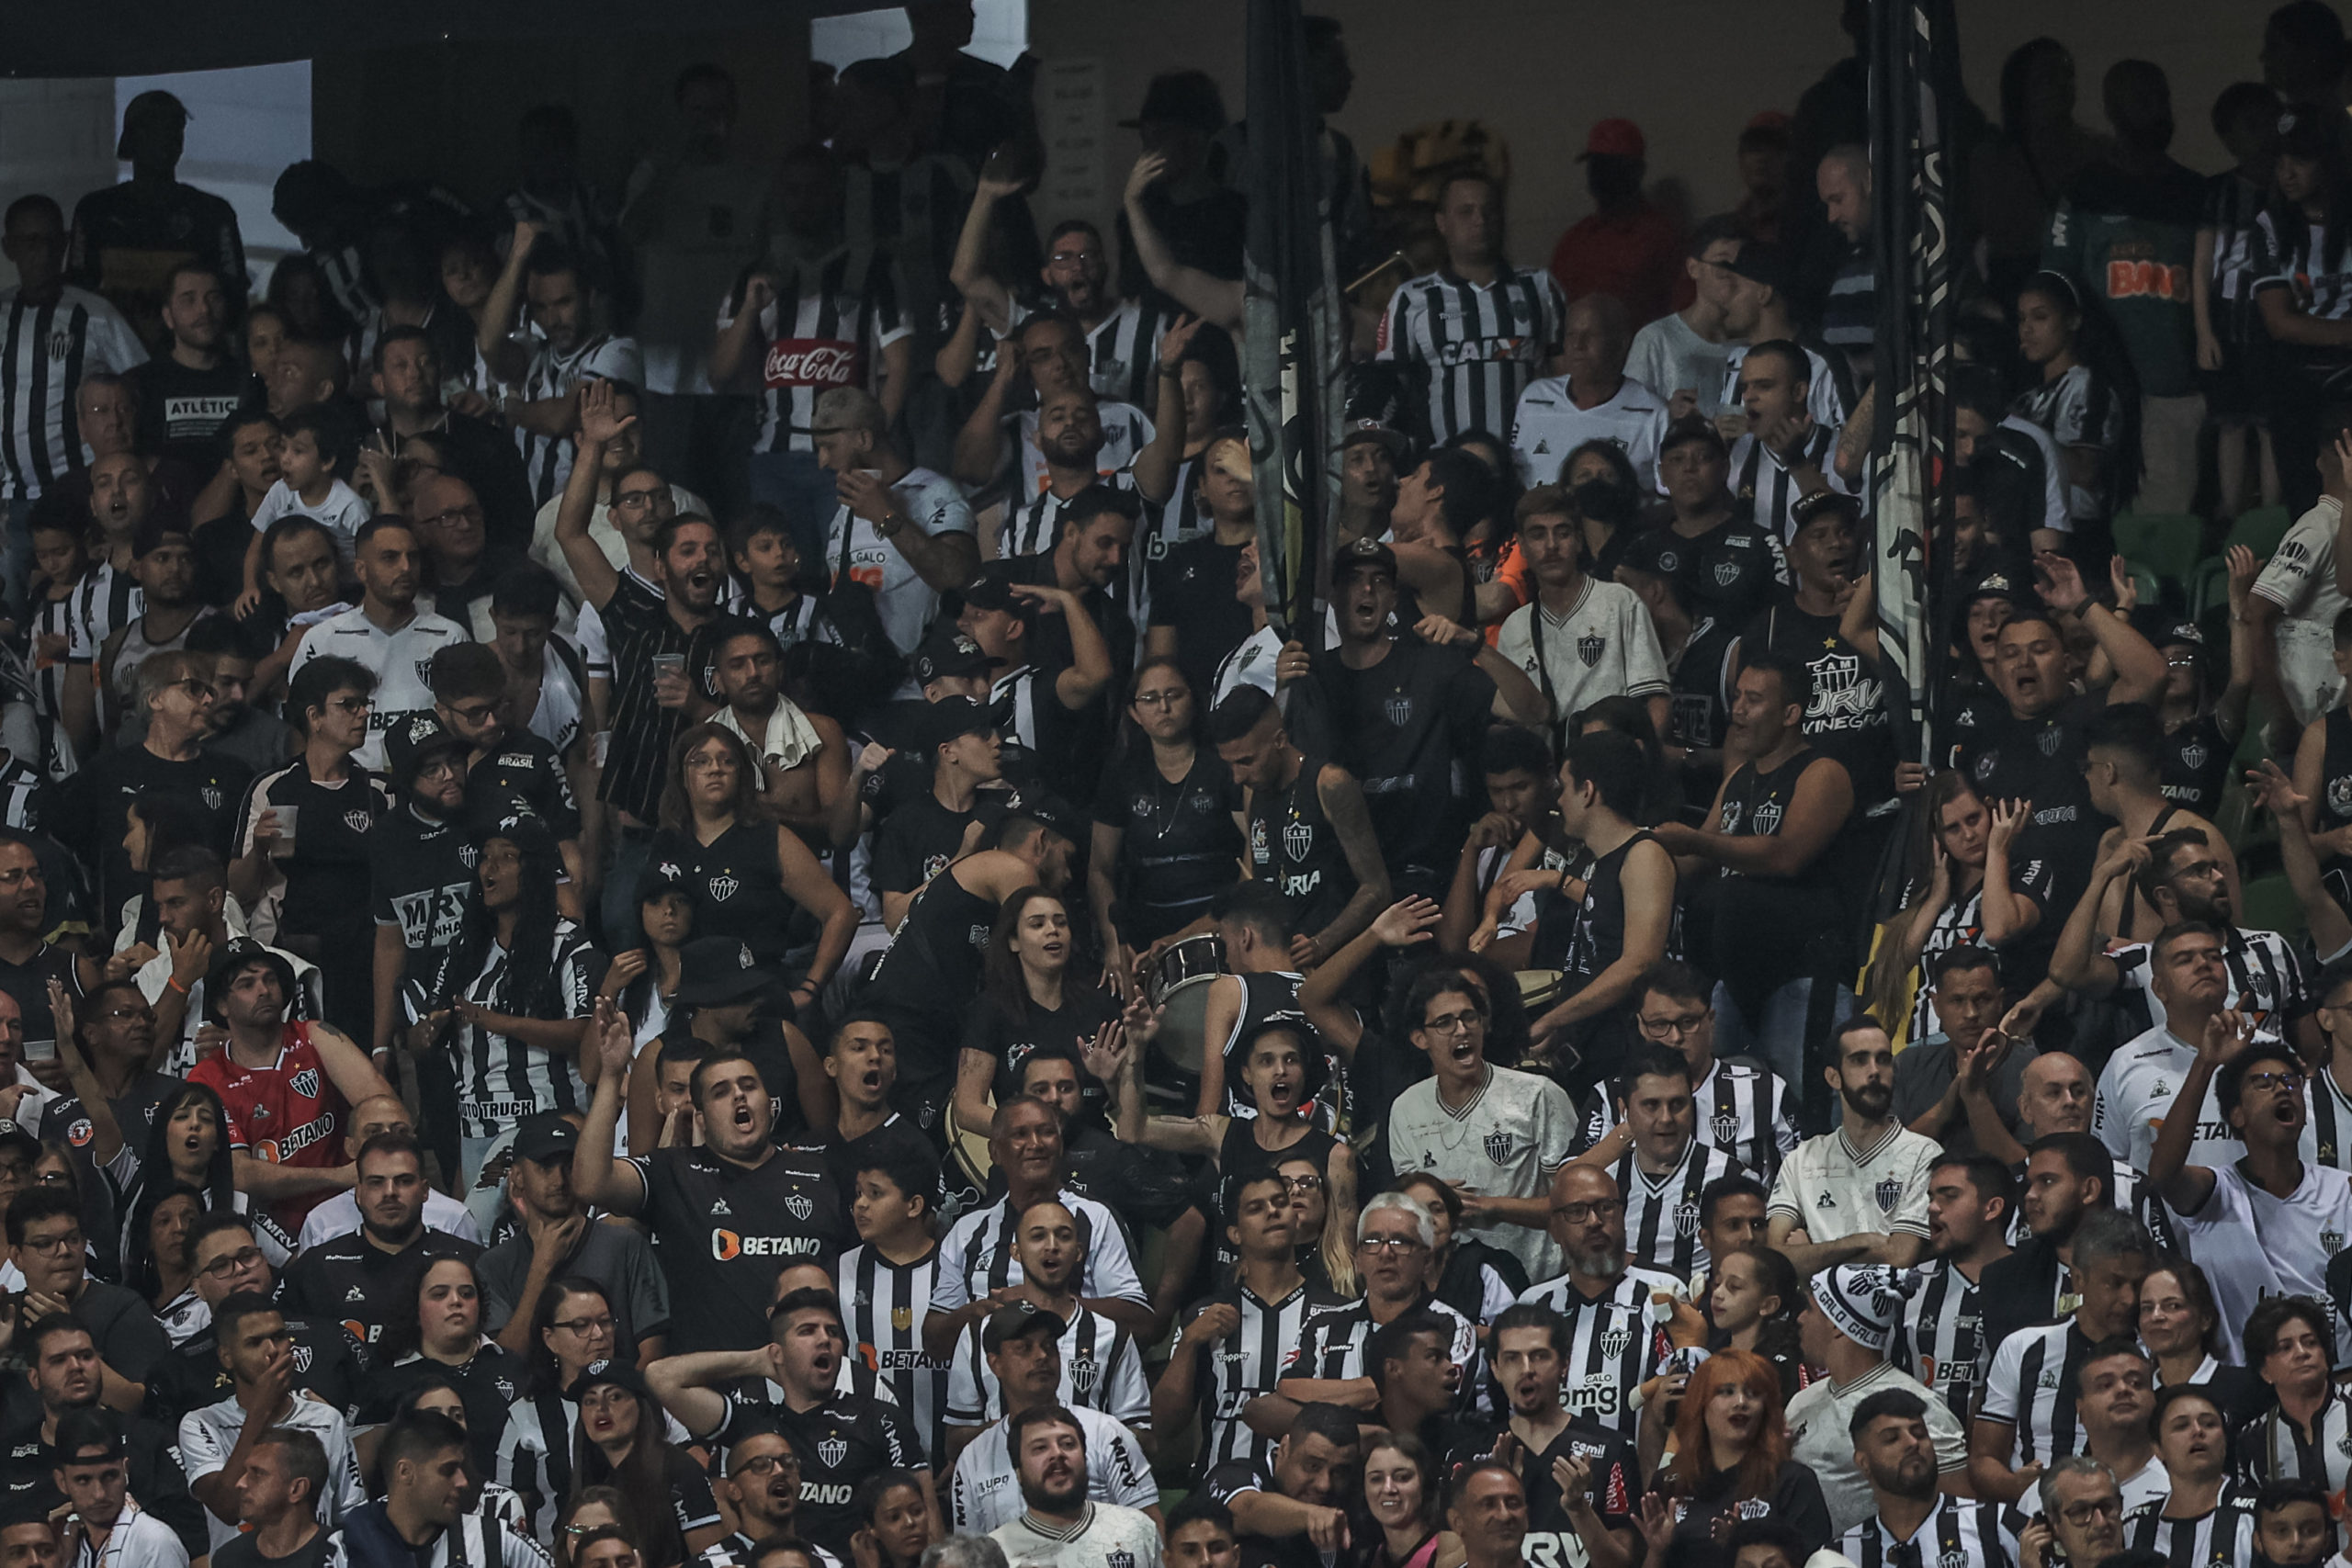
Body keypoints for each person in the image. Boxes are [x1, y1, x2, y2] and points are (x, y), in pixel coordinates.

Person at [573, 999, 849, 1354]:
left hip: (809, 1379)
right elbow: (590, 1183)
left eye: (749, 1086)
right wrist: (611, 1075)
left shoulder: (820, 1170)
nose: (738, 1095)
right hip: (712, 1389)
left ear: (770, 1102)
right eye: (720, 1092)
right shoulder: (674, 1170)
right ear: (701, 1117)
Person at [1651, 656, 1854, 1103]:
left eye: (1754, 699)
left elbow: (1786, 855)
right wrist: (1636, 853)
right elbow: (1690, 861)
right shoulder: (1740, 778)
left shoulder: (1823, 772)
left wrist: (1696, 842)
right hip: (1734, 979)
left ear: (1790, 714)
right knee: (1716, 1103)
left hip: (1801, 977)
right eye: (1737, 696)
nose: (1737, 709)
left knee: (1810, 1109)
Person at [2150, 1021, 2352, 1363]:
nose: (2282, 1089)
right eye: (2263, 1083)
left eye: (2291, 1082)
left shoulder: (2343, 1190)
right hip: (2246, 1388)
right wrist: (2206, 1063)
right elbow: (2163, 1175)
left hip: (2335, 1382)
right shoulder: (2215, 1194)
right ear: (2237, 1116)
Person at [1385, 967, 1580, 1282]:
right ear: (1420, 1038)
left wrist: (1493, 1207)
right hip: (1450, 1290)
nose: (1461, 1030)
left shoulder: (1537, 1096)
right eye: (1445, 1022)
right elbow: (1406, 1215)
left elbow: (1576, 1206)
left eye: (1469, 1017)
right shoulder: (1406, 1109)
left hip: (1536, 1287)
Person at [187, 941, 392, 1235]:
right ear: (221, 1005)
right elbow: (240, 1173)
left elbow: (382, 1103)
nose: (264, 990)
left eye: (269, 979)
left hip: (348, 1209)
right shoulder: (206, 1078)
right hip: (268, 1231)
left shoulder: (315, 1035)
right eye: (247, 984)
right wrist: (337, 1176)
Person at [1151, 1170, 1347, 1475]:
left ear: (1295, 1217)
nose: (1272, 1211)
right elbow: (1163, 1426)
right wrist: (1189, 1343)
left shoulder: (1338, 1314)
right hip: (1221, 1498)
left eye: (1280, 1202)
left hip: (1311, 1494)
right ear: (1235, 1234)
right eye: (1256, 1208)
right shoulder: (1204, 1315)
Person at [0, 195, 148, 592]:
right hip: (13, 500)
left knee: (86, 603)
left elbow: (140, 386)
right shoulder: (0, 314)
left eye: (51, 241)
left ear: (64, 244)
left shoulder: (94, 314)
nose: (42, 252)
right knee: (16, 610)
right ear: (8, 247)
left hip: (83, 494)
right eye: (29, 241)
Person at [1969, 1208, 2154, 1503]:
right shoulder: (2023, 1347)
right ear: (2078, 1280)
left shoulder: (2157, 1357)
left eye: (2138, 1284)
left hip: (2136, 1514)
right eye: (2115, 1283)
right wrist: (2018, 1488)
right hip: (2036, 1518)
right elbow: (1983, 1459)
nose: (2129, 1299)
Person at [1377, 171, 1568, 449]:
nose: (1480, 220)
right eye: (1466, 212)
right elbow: (1392, 389)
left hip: (1531, 462)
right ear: (1442, 223)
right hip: (1447, 466)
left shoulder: (1540, 286)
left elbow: (1565, 378)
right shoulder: (1412, 299)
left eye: (1489, 210)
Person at [1207, 685, 1388, 971]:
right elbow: (1253, 877)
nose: (1237, 777)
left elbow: (1376, 888)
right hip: (1277, 967)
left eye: (1246, 761)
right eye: (1229, 764)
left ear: (1279, 740)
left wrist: (1321, 943)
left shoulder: (1329, 784)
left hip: (1336, 967)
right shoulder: (1253, 790)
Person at [1783, 1267, 1971, 1537]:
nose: (1800, 1318)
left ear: (1837, 1323)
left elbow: (1958, 1511)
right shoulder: (1801, 1401)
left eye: (1810, 1309)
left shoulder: (1917, 1408)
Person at [941, 1201, 1148, 1441]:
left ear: (1079, 1252)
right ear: (1016, 1252)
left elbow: (1144, 1439)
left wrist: (1080, 1436)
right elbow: (955, 1440)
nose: (1052, 1246)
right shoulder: (979, 1333)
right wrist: (1014, 1432)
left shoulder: (1112, 1335)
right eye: (1038, 1236)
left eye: (1063, 1236)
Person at [1451, 1304, 1638, 1568]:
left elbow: (1623, 1565)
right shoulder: (1468, 1456)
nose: (1526, 1369)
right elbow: (1447, 1561)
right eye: (1512, 1358)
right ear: (1495, 1368)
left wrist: (1578, 1509)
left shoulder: (1611, 1449)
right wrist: (1490, 1497)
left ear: (1564, 1363)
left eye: (1539, 1356)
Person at [178, 1293, 365, 1555]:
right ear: (226, 1357)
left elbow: (350, 1515)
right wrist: (259, 1412)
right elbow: (227, 1508)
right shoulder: (201, 1423)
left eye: (279, 1337)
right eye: (254, 1343)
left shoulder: (326, 1418)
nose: (272, 1351)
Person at [1087, 660, 1242, 969]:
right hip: (1149, 937)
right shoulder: (1122, 774)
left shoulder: (1223, 764)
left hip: (1222, 924)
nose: (1163, 707)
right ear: (1134, 713)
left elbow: (1255, 849)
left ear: (1194, 701)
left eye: (1174, 695)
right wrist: (1113, 941)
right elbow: (1099, 868)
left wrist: (1222, 917)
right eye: (1150, 699)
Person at [1498, 488, 1671, 759]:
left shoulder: (1618, 601)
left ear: (1579, 541)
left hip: (1612, 767)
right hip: (1548, 778)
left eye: (1563, 532)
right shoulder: (1514, 627)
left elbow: (1655, 700)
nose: (1552, 545)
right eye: (1538, 534)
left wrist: (1641, 763)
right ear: (1522, 546)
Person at [288, 517, 469, 772]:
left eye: (412, 557)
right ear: (361, 570)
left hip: (426, 786)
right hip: (348, 786)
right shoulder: (322, 640)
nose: (405, 567)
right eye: (390, 558)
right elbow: (300, 729)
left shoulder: (450, 636)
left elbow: (467, 723)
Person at [813, 385, 979, 658]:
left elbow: (960, 580)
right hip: (858, 685)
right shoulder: (843, 509)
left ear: (864, 439)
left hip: (921, 687)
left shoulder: (934, 492)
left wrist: (886, 517)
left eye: (828, 447)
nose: (822, 461)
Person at [276, 1132, 483, 1349]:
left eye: (404, 1181)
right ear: (358, 1193)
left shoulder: (469, 1260)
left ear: (424, 1191)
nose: (390, 1192)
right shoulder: (317, 1269)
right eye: (376, 1182)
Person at [1765, 1019, 1936, 1273]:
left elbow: (1901, 1255)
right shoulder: (1803, 1159)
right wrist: (1861, 1241)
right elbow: (1777, 1257)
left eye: (1884, 1059)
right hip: (1814, 1309)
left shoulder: (1925, 1154)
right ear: (1833, 1077)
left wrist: (1813, 1249)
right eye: (1859, 1060)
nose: (1875, 1071)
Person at [1572, 1045, 1750, 1282]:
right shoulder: (1604, 1183)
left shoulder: (1731, 1178)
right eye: (1651, 1105)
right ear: (1624, 1110)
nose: (1666, 1118)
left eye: (1677, 1104)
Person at [1887, 1156, 2015, 1427]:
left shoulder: (2038, 1278)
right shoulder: (1908, 1286)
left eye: (1949, 1196)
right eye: (1931, 1197)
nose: (1933, 1207)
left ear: (1991, 1208)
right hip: (1930, 1457)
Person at [331, 1410, 548, 1568]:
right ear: (405, 1472)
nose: (462, 1481)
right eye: (448, 1470)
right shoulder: (344, 1547)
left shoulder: (496, 1539)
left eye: (461, 1468)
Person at [1508, 298, 1670, 494]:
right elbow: (1515, 479)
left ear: (1620, 344)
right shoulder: (1535, 398)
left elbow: (1669, 497)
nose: (1578, 345)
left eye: (1591, 335)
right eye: (1571, 335)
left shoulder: (1652, 412)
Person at [1839, 1390, 2015, 1568]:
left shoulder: (1997, 1524)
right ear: (1863, 1462)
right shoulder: (1841, 1554)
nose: (1912, 1443)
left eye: (1920, 1433)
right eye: (1892, 1438)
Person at [1892, 950, 2040, 1160]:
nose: (1971, 1013)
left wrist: (1974, 1097)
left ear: (2000, 1001)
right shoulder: (1909, 1064)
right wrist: (1944, 1108)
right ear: (1936, 1004)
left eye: (1982, 999)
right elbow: (1884, 1160)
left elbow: (2025, 1171)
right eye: (1957, 1000)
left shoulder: (2034, 1070)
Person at [985, 1404, 1161, 1568]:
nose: (1057, 1453)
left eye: (1068, 1444)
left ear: (1085, 1459)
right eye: (1040, 1448)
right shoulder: (993, 1554)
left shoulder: (1137, 1528)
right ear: (1019, 1472)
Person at [1626, 221, 1747, 421]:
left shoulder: (1751, 341)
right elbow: (1629, 411)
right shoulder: (1657, 338)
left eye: (1741, 265)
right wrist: (1666, 411)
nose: (1732, 275)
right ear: (1693, 268)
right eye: (1723, 264)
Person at [48, 1408, 192, 1568]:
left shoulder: (154, 1542)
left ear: (125, 1470)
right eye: (83, 1480)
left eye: (109, 1476)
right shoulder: (64, 1545)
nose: (99, 1494)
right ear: (62, 1482)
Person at [2130, 1385, 2256, 1564]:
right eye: (2181, 1426)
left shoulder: (2258, 1516)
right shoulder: (2133, 1527)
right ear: (2157, 1449)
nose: (2198, 1431)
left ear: (2225, 1440)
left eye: (2209, 1424)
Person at [216, 1426, 336, 1568]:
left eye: (258, 1474)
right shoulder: (228, 1559)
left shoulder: (340, 1555)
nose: (240, 1483)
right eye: (245, 1472)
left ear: (297, 1489)